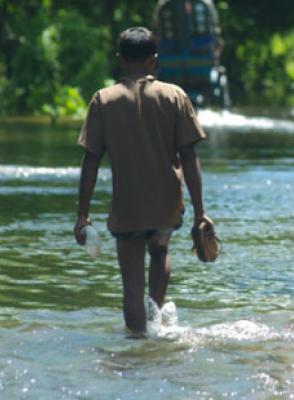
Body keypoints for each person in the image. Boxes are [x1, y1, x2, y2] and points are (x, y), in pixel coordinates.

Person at [73, 27, 214, 335]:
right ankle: (155, 319)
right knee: (160, 251)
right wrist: (200, 210)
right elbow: (189, 157)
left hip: (128, 205)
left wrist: (83, 215)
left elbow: (91, 161)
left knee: (131, 286)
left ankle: (139, 343)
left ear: (120, 59)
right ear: (154, 60)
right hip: (166, 200)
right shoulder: (175, 96)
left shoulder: (103, 101)